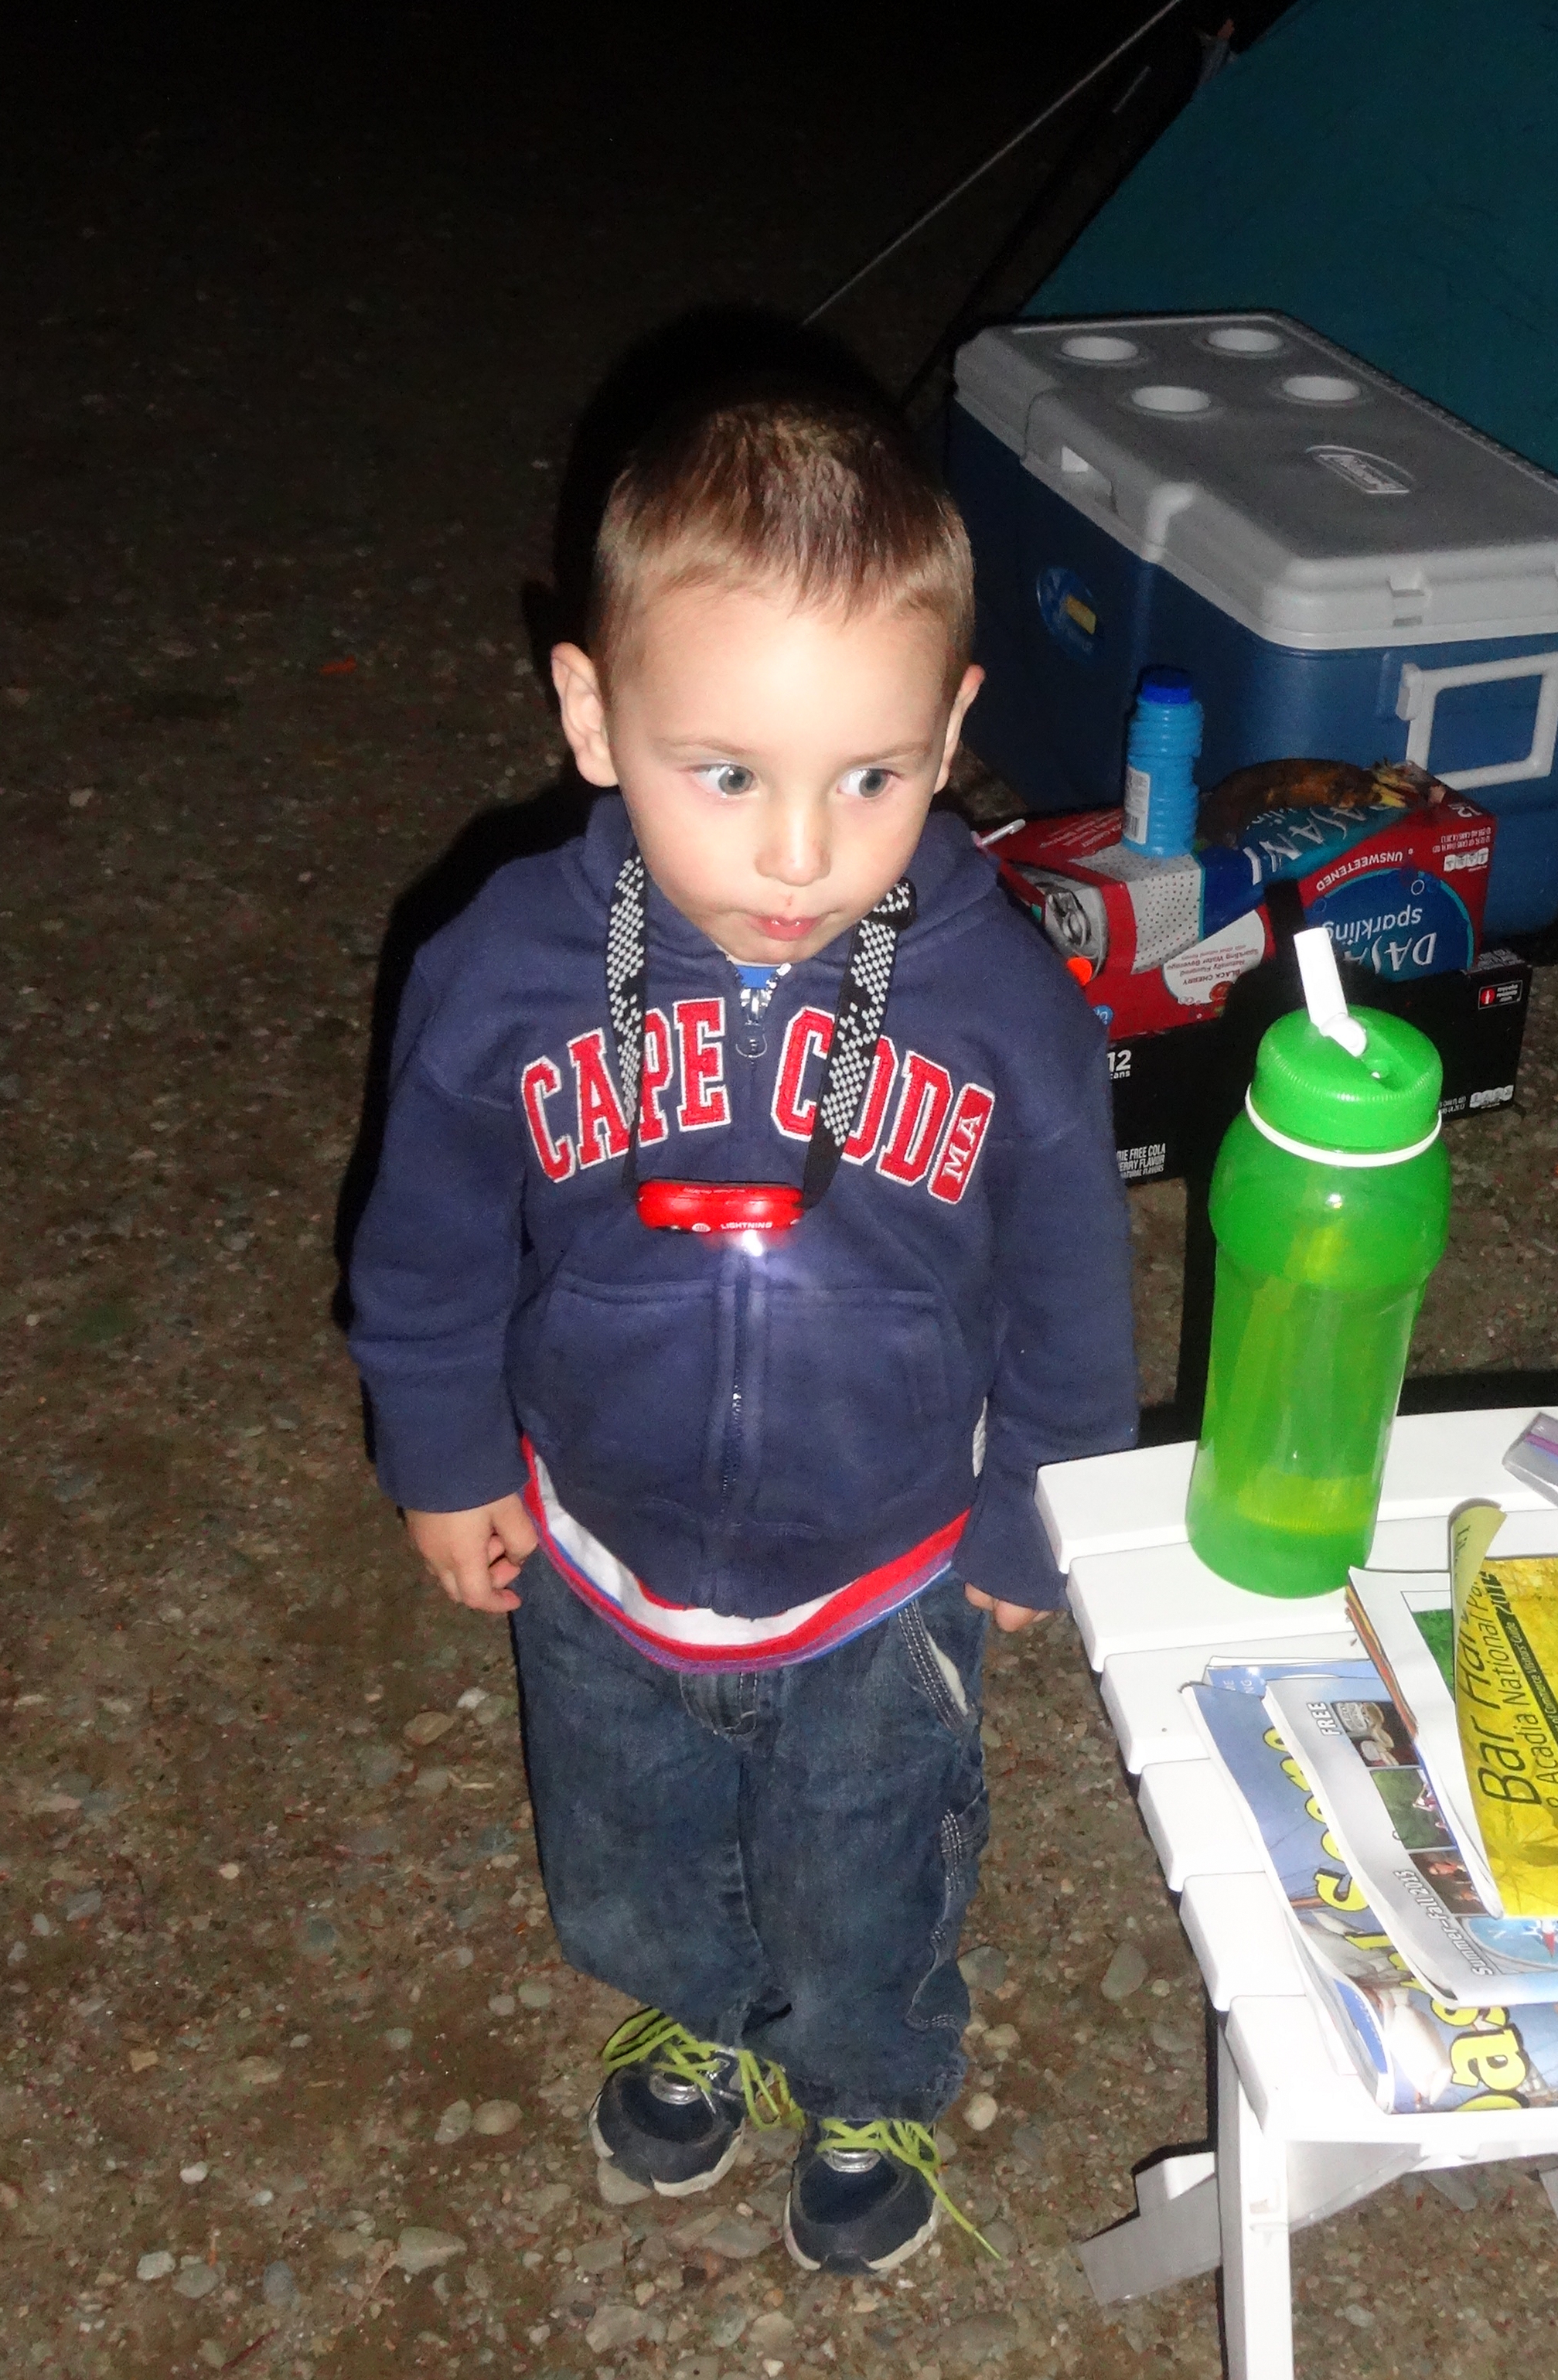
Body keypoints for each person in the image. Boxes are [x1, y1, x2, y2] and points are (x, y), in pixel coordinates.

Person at [348, 387, 1137, 2275]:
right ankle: (697, 2006)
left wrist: (1040, 1505)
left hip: (884, 1563)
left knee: (866, 1862)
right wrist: (442, 1452)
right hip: (598, 1543)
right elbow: (428, 1245)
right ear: (590, 714)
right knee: (625, 1845)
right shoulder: (500, 968)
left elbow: (1068, 1276)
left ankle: (867, 2075)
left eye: (871, 779)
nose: (799, 854)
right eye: (724, 774)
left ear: (952, 727)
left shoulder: (1001, 1003)